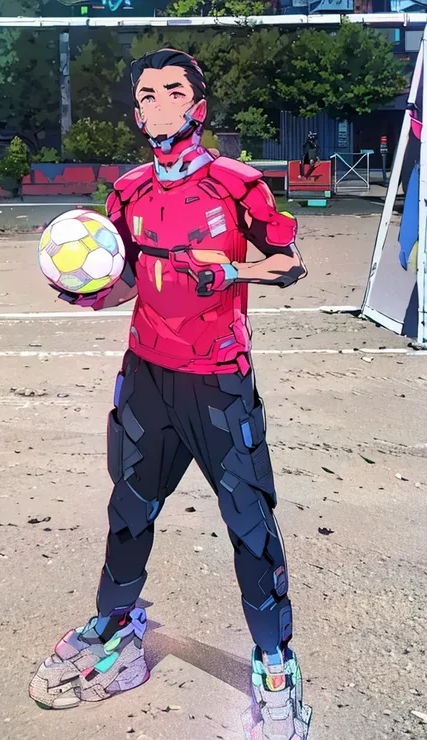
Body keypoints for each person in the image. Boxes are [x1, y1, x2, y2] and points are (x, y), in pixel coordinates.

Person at [29, 48, 311, 740]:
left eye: (172, 91)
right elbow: (124, 279)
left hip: (219, 383)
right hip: (147, 380)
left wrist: (235, 271)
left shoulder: (239, 184)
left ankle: (275, 665)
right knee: (128, 514)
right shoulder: (126, 192)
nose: (157, 102)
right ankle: (118, 631)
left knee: (250, 526)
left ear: (198, 107)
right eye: (146, 94)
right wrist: (93, 294)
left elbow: (289, 263)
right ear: (136, 112)